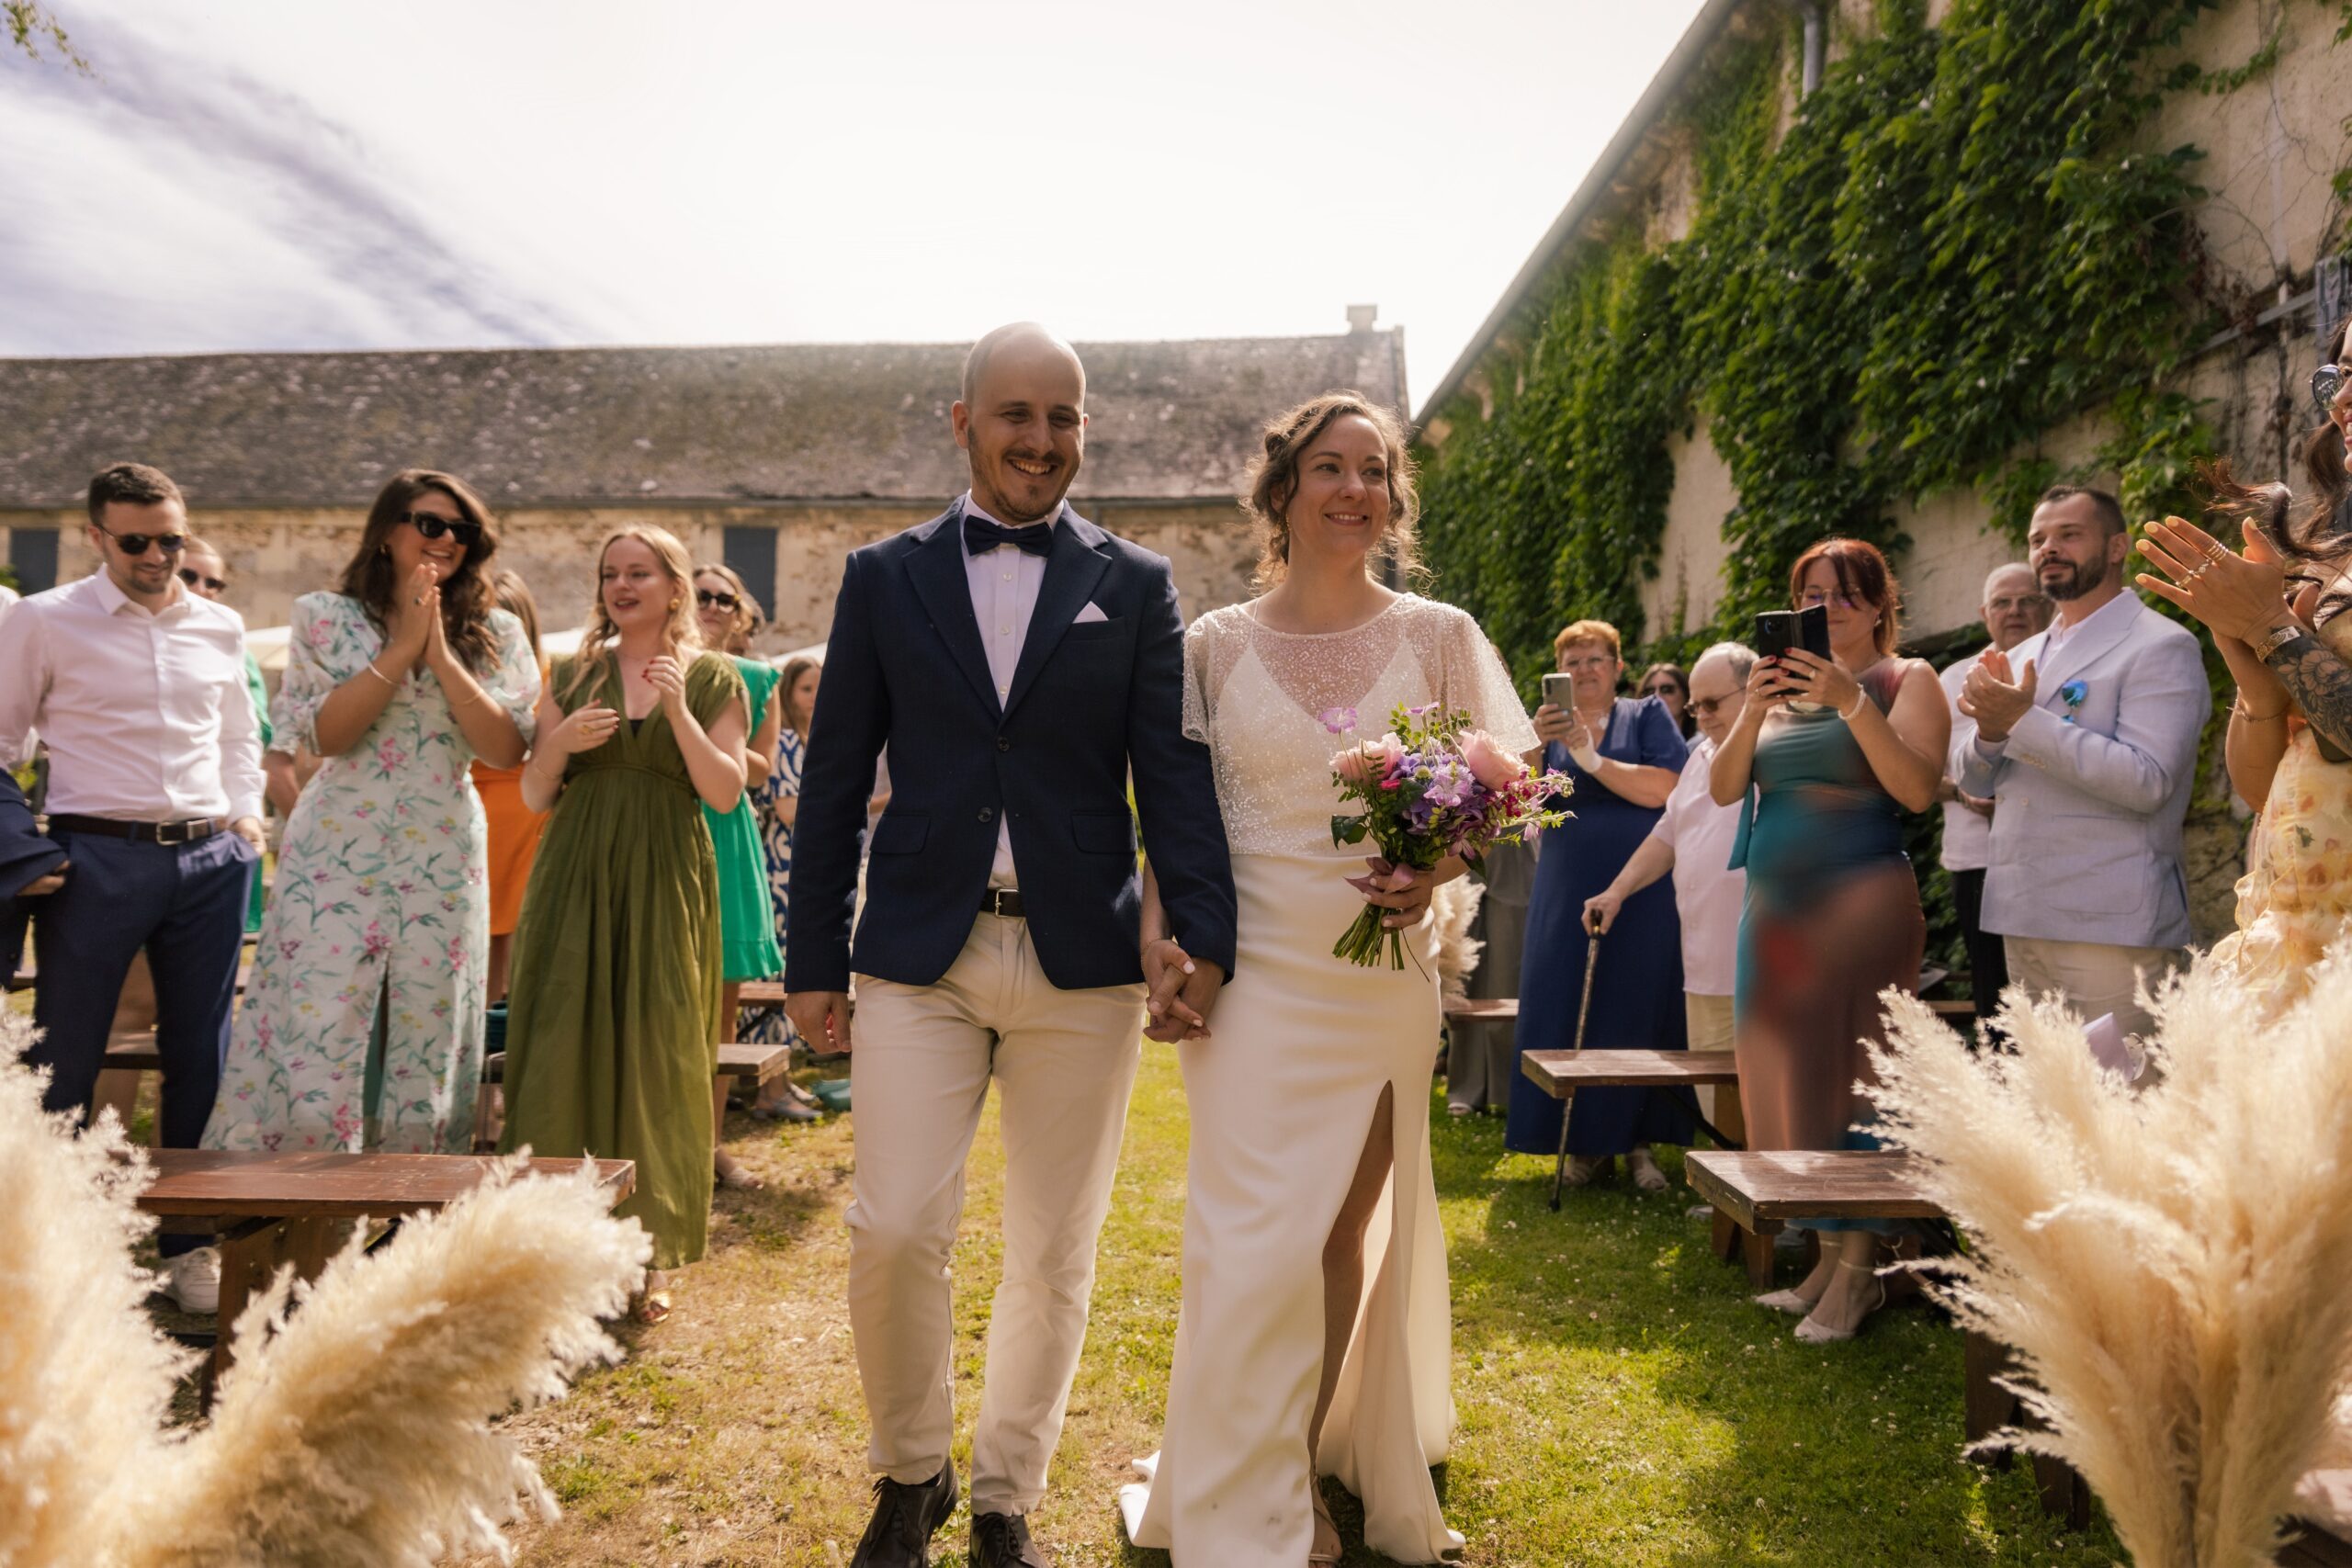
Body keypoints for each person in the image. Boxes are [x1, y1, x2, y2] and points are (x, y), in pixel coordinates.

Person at [783, 323, 1237, 1568]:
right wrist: (812, 955)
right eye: (1018, 414)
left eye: (1065, 416)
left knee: (1053, 1244)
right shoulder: (884, 575)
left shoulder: (1134, 583)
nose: (1042, 439)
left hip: (1081, 960)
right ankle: (909, 1473)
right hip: (917, 954)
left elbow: (1173, 776)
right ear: (964, 419)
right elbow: (832, 780)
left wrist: (1198, 931)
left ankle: (1001, 1495)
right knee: (891, 1226)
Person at [1119, 392, 1531, 1567]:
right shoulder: (1210, 644)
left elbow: (1501, 794)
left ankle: (1293, 1467)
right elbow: (1174, 822)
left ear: (1392, 497)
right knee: (1249, 1234)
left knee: (1345, 1229)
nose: (1355, 489)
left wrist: (1437, 862)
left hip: (1375, 972)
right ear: (1283, 491)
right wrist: (1163, 947)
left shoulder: (1441, 634)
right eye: (1329, 468)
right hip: (1247, 972)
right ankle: (1239, 1476)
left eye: (1375, 471)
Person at [204, 472, 537, 1158]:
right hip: (337, 841)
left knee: (431, 1025)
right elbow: (329, 737)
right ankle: (289, 1197)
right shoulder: (322, 615)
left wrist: (439, 652)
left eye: (461, 529)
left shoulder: (495, 630)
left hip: (443, 842)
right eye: (429, 522)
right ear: (387, 529)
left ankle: (411, 1204)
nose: (446, 538)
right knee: (318, 1020)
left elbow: (504, 748)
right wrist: (400, 648)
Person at [0, 462, 266, 1313]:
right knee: (63, 1059)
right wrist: (22, 849)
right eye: (137, 540)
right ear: (95, 536)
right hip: (94, 859)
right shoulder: (43, 621)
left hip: (209, 861)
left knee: (202, 1058)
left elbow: (236, 735)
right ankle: (55, 1255)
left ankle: (190, 1245)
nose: (158, 555)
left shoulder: (220, 625)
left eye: (172, 538)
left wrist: (247, 818)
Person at [501, 525, 746, 1324]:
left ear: (675, 586)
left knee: (657, 1049)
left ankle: (644, 1257)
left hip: (665, 881)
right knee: (562, 1047)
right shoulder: (573, 672)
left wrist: (675, 707)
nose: (622, 585)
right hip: (576, 877)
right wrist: (560, 743)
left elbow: (723, 793)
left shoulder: (713, 677)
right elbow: (537, 794)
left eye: (640, 572)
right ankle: (556, 1256)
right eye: (611, 573)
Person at [1711, 537, 1950, 1343]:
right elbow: (1722, 787)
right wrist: (1750, 707)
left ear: (1882, 605)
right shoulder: (1773, 697)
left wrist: (1853, 701)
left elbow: (1916, 789)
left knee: (1857, 1083)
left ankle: (1859, 1280)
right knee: (1792, 1079)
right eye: (1814, 595)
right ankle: (1821, 1261)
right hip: (1776, 915)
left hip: (1861, 912)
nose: (1830, 608)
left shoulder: (1905, 681)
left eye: (1848, 593)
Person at [1957, 487, 2210, 1043]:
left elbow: (2148, 781)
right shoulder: (2017, 656)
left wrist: (2021, 721)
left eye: (2069, 534)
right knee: (2053, 1105)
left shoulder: (2160, 646)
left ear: (2118, 547)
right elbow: (1972, 778)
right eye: (2038, 539)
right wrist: (1992, 733)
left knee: (2125, 1106)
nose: (2049, 548)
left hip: (2111, 925)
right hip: (2020, 914)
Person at [1503, 619, 1688, 1190]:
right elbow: (1518, 803)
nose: (1585, 670)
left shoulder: (1646, 716)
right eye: (1574, 661)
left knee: (1634, 998)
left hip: (1641, 881)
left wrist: (1594, 761)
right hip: (1565, 880)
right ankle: (1578, 1144)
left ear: (1618, 667)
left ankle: (1637, 1145)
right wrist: (1533, 742)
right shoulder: (1549, 729)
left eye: (1596, 659)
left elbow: (1667, 790)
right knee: (1563, 998)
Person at [1583, 642, 1753, 1056]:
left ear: (1754, 691)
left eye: (1713, 703)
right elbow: (1668, 834)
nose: (1704, 716)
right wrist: (1617, 891)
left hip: (1761, 973)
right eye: (1697, 707)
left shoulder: (1778, 752)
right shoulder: (1700, 758)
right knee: (1717, 1112)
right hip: (1703, 969)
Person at [691, 560, 785, 1190]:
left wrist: (708, 735)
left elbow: (761, 770)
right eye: (703, 594)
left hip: (724, 831)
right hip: (665, 819)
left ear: (742, 614)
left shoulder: (758, 677)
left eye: (728, 598)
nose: (715, 605)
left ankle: (713, 1146)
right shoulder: (644, 665)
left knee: (722, 1009)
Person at [1936, 563, 2051, 1035]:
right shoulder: (1954, 679)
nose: (2015, 611)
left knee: (2049, 1003)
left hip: (2050, 856)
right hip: (1976, 861)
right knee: (1996, 1005)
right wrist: (1963, 793)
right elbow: (1925, 774)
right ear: (1985, 614)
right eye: (2003, 603)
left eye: (2028, 600)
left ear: (2047, 606)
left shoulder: (2060, 668)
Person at [742, 653, 821, 1119]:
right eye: (806, 689)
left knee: (792, 975)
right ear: (788, 694)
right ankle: (768, 1092)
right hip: (781, 872)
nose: (814, 699)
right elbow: (792, 813)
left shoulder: (807, 741)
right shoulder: (788, 741)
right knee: (776, 979)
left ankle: (782, 1081)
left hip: (799, 870)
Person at [471, 570, 551, 1004]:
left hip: (526, 816)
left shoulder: (550, 676)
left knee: (520, 944)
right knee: (476, 942)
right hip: (475, 812)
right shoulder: (465, 674)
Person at [1637, 660, 1695, 739]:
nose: (1656, 696)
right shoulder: (1633, 744)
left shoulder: (1701, 745)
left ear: (1686, 695)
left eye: (1666, 689)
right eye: (1649, 691)